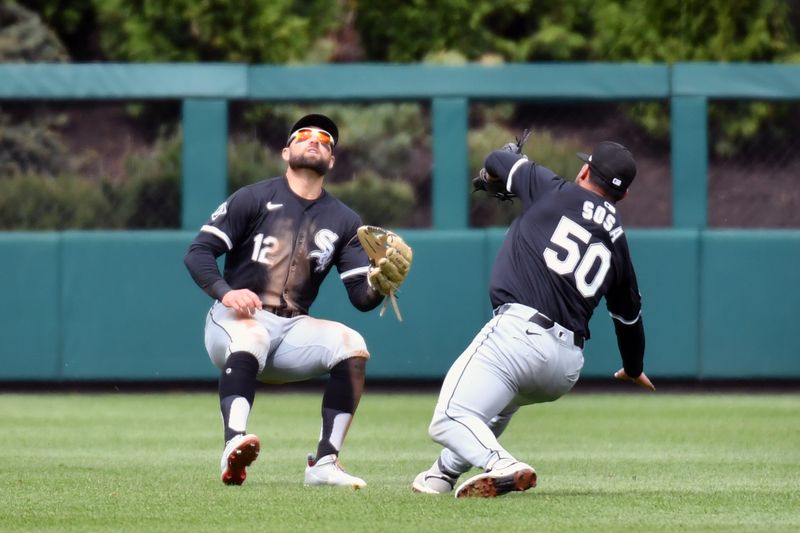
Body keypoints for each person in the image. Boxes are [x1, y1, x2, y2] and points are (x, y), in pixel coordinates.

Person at [412, 139, 655, 498]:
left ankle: (503, 464)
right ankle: (441, 475)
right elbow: (629, 319)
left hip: (520, 334)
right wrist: (633, 368)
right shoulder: (619, 243)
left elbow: (496, 158)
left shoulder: (554, 190)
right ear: (624, 196)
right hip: (563, 369)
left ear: (585, 171)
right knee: (495, 409)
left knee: (449, 418)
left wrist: (513, 160)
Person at [184, 113, 409, 488]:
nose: (315, 141)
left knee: (352, 345)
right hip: (233, 320)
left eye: (325, 140)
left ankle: (324, 462)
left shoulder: (343, 219)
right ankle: (233, 442)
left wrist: (381, 285)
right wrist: (227, 292)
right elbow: (198, 253)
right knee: (252, 335)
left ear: (332, 161)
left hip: (291, 329)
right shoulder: (253, 198)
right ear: (286, 151)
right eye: (305, 135)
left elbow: (360, 298)